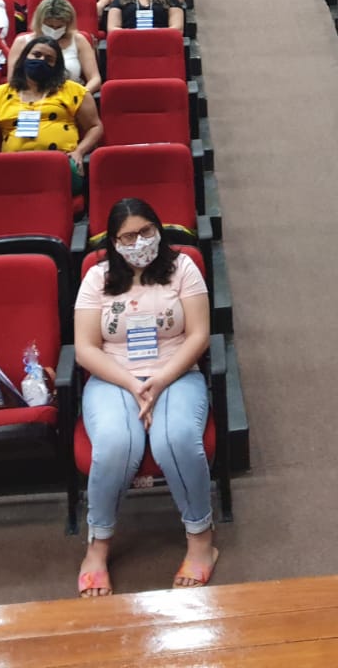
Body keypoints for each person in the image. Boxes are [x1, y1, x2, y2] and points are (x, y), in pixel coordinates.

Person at [73, 197, 217, 597]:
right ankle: (98, 547)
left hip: (175, 371)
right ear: (114, 242)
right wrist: (133, 384)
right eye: (127, 237)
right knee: (117, 444)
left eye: (145, 232)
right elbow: (86, 349)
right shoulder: (96, 278)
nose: (138, 242)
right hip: (113, 378)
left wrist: (157, 381)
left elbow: (199, 335)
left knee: (175, 440)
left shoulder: (183, 268)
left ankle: (201, 540)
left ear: (159, 229)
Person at [0, 36, 101, 189]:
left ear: (56, 66)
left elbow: (95, 126)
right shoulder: (1, 93)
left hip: (59, 164)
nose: (41, 60)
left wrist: (79, 151)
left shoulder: (73, 90)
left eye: (49, 59)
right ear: (24, 58)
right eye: (36, 55)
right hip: (13, 167)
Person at [12, 0, 100, 93]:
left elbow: (95, 79)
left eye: (59, 27)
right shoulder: (21, 42)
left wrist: (80, 96)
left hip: (70, 97)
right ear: (40, 22)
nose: (54, 30)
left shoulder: (79, 40)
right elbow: (13, 80)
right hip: (31, 98)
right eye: (49, 26)